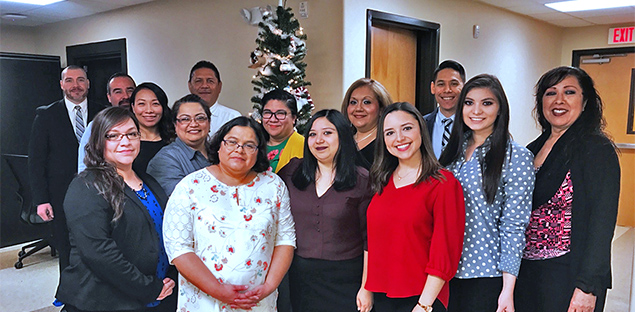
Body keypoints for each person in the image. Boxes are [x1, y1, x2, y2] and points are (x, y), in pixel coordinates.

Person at [515, 66, 620, 312]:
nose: (559, 100)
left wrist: (587, 287)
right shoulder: (530, 150)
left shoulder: (597, 149)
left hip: (568, 274)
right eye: (550, 93)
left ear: (585, 102)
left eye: (569, 92)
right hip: (526, 272)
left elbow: (602, 224)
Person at [163, 116, 296, 312]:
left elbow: (285, 239)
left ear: (258, 152)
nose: (239, 149)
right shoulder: (190, 186)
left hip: (258, 301)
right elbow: (178, 248)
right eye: (232, 142)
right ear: (219, 146)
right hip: (204, 302)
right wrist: (218, 290)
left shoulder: (273, 185)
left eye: (249, 145)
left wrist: (269, 286)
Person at [56, 107, 176, 312]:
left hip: (153, 295)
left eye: (132, 133)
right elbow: (99, 254)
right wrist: (148, 288)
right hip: (105, 300)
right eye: (113, 135)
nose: (125, 141)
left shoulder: (147, 181)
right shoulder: (86, 186)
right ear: (98, 142)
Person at [438, 74, 535, 312]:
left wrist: (507, 290)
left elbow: (514, 226)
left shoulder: (517, 158)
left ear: (500, 108)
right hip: (444, 270)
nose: (476, 110)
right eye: (469, 102)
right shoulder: (451, 153)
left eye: (487, 103)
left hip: (485, 273)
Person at [361, 102, 465, 312]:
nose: (399, 138)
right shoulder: (382, 181)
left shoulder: (443, 183)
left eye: (407, 128)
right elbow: (372, 241)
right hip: (381, 296)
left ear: (421, 129)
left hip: (421, 298)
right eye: (390, 132)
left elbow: (445, 252)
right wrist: (366, 288)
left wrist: (424, 305)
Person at [277, 110, 373, 312]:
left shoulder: (361, 179)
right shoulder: (293, 171)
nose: (318, 140)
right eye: (312, 134)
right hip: (300, 280)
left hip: (347, 280)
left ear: (342, 137)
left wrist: (366, 288)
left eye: (327, 133)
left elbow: (370, 240)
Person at [28, 65, 104, 273]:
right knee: (66, 248)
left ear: (88, 84)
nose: (75, 85)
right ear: (62, 85)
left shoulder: (103, 113)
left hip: (100, 192)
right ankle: (69, 297)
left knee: (100, 245)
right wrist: (41, 200)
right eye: (69, 80)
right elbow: (36, 161)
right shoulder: (46, 115)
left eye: (80, 80)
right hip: (60, 195)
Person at [147, 94, 211, 196]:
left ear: (209, 122)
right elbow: (183, 200)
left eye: (200, 118)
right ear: (175, 124)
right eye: (185, 119)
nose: (194, 124)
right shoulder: (165, 159)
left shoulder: (219, 152)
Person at [78, 72, 136, 172]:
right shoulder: (97, 126)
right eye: (118, 92)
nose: (125, 96)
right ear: (109, 97)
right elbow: (84, 167)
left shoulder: (146, 122)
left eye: (130, 90)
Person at [340, 78, 392, 168]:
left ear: (381, 109)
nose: (358, 108)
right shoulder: (340, 141)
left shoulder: (388, 144)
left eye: (366, 102)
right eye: (353, 102)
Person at [423, 60, 466, 159]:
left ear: (464, 87)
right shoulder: (421, 124)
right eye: (441, 84)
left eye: (454, 84)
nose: (447, 90)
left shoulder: (473, 125)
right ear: (433, 88)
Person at [129, 82, 175, 174]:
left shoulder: (174, 140)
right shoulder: (126, 142)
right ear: (133, 107)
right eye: (142, 104)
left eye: (155, 104)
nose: (149, 110)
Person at [187, 60, 241, 135]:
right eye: (198, 81)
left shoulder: (232, 117)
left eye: (210, 81)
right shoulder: (179, 116)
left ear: (219, 86)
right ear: (190, 86)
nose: (204, 86)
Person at [261, 89, 304, 173]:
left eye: (280, 113)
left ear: (294, 118)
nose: (273, 119)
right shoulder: (254, 143)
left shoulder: (305, 147)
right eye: (267, 112)